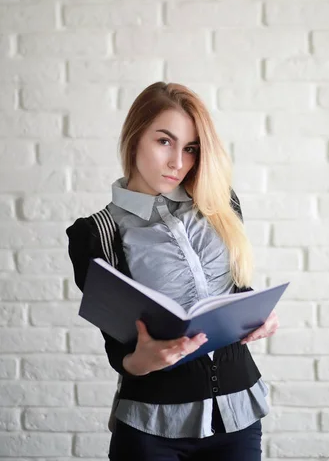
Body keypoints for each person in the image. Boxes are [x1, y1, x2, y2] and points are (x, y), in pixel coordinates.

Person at [66, 81, 279, 461]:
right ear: (135, 138)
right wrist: (140, 362)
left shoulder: (221, 203)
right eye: (164, 141)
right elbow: (120, 348)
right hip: (152, 430)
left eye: (191, 149)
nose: (177, 162)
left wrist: (258, 316)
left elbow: (236, 292)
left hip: (238, 418)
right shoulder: (96, 233)